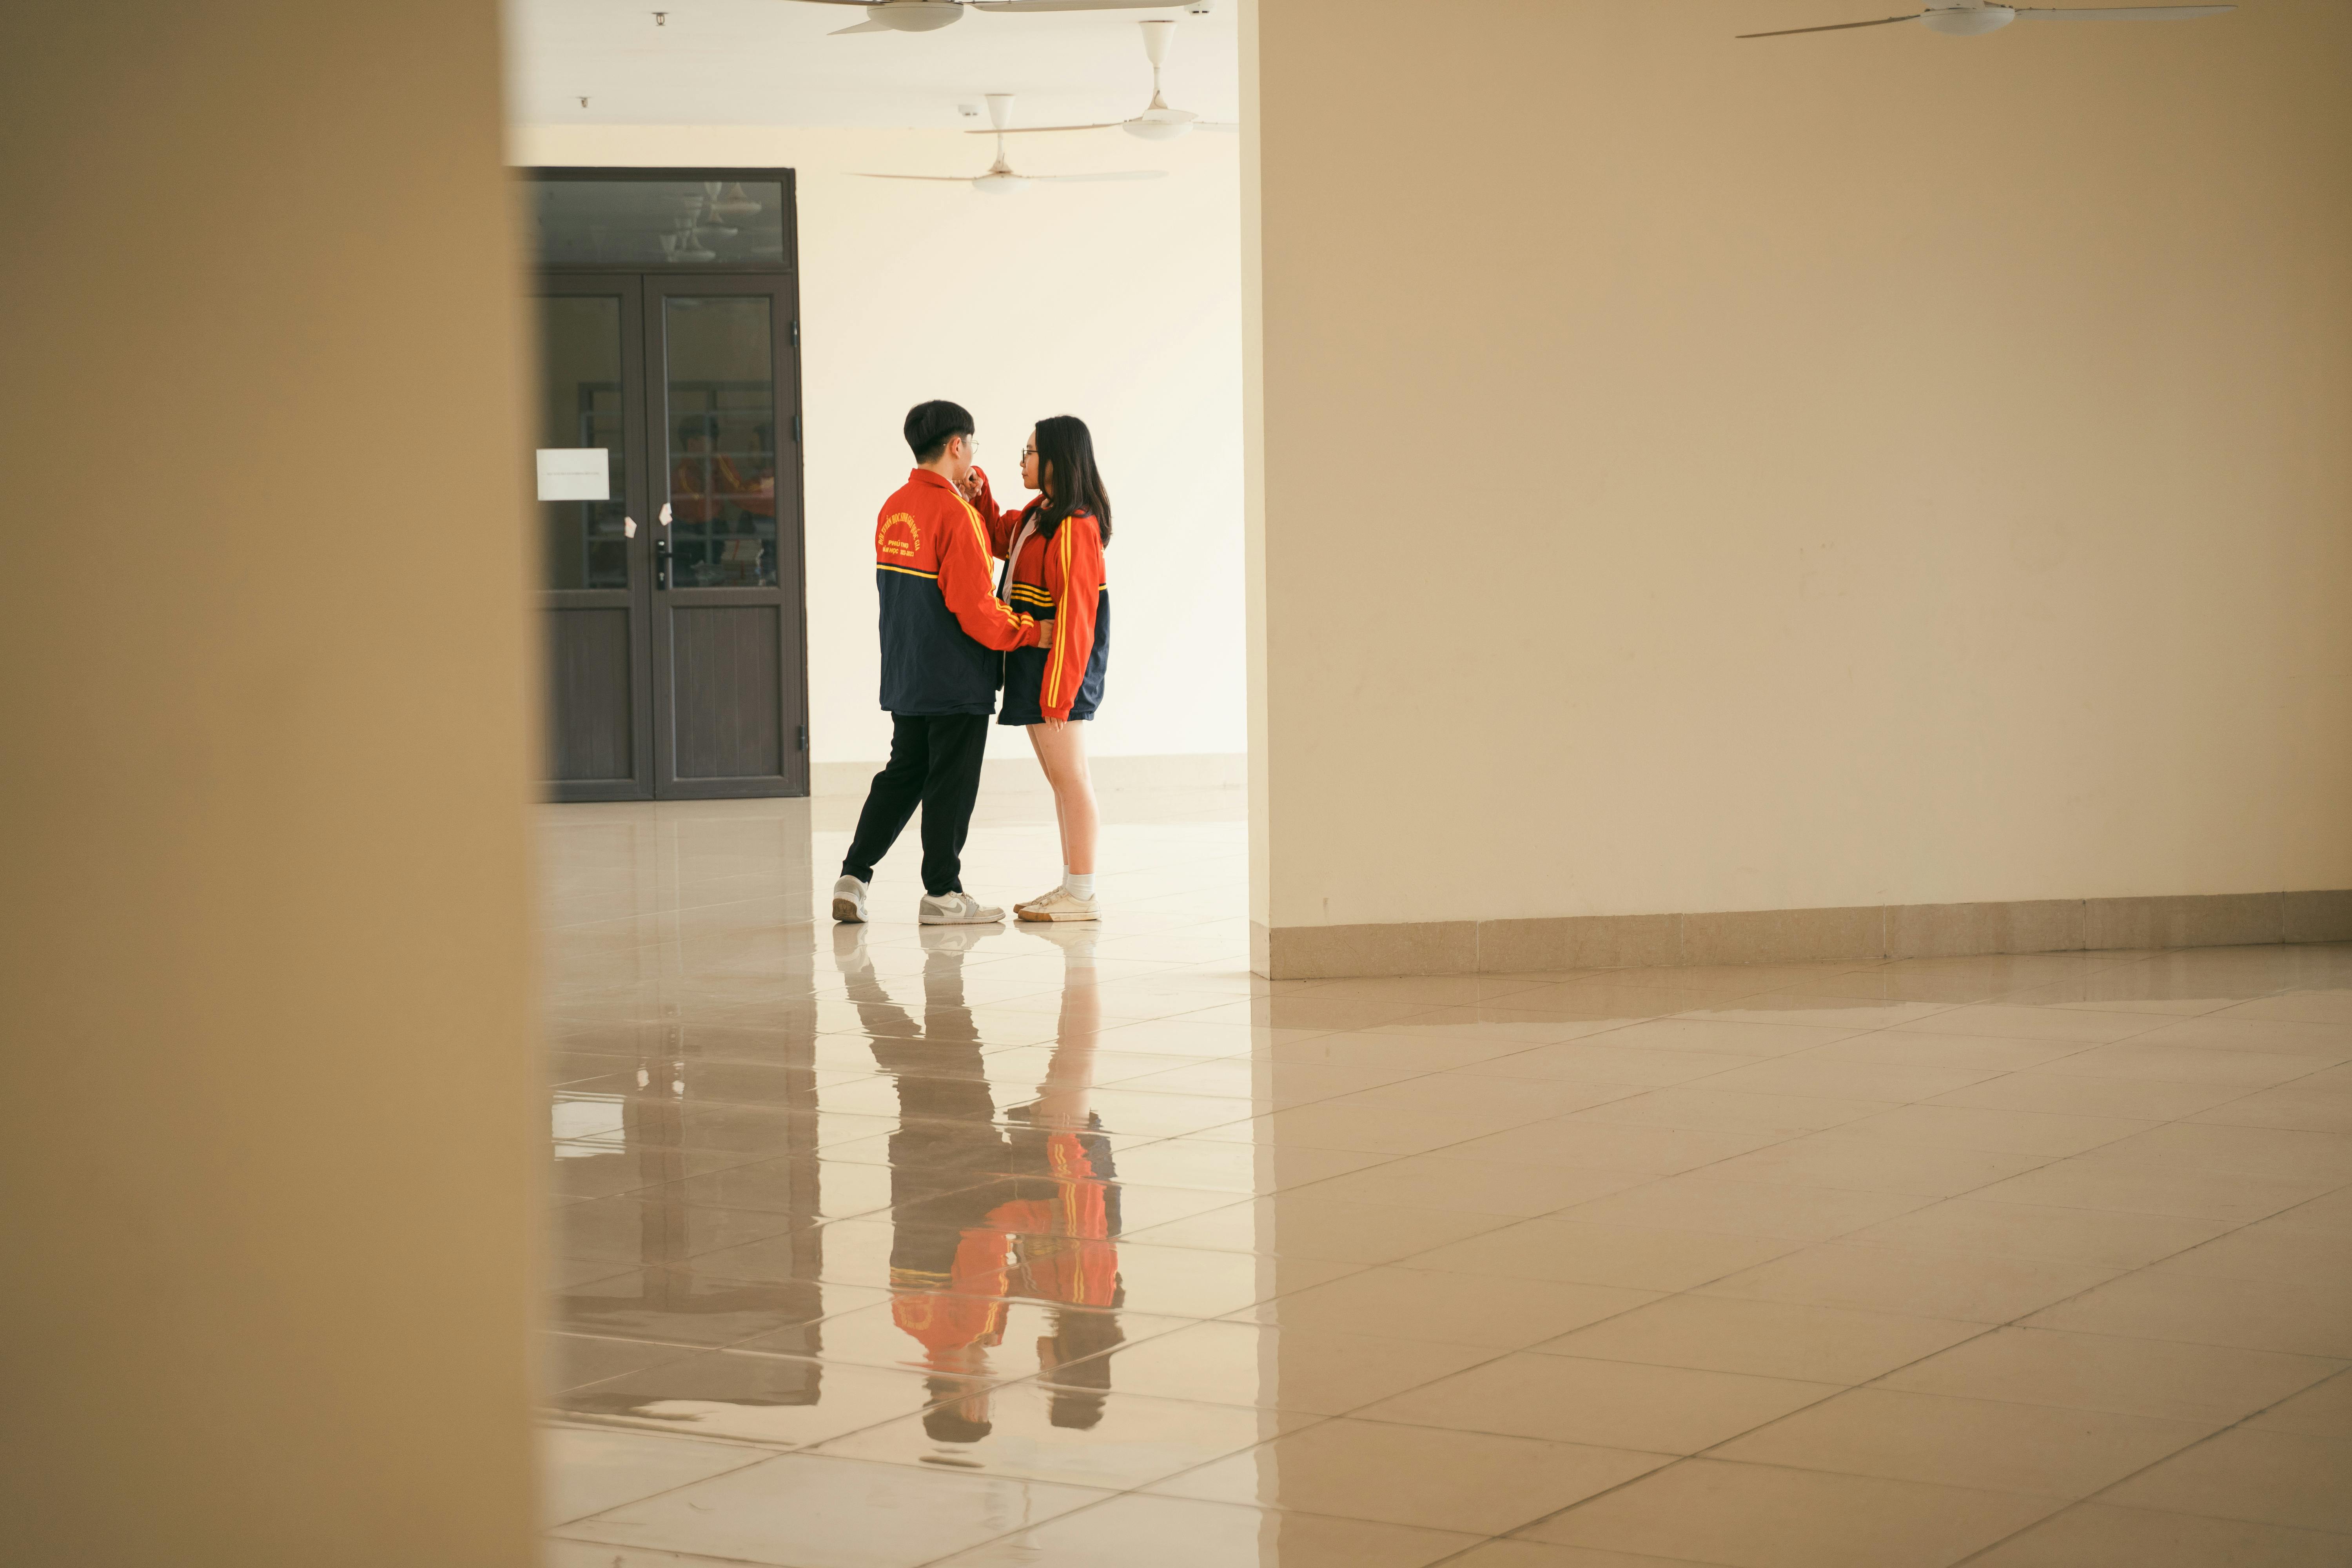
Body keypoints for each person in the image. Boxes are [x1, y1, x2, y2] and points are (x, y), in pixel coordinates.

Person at [832, 400, 1054, 926]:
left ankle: (854, 874)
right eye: (972, 444)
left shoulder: (894, 506)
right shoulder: (954, 516)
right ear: (957, 445)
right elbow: (975, 609)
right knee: (951, 783)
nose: (975, 454)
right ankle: (942, 893)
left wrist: (971, 494)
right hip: (956, 676)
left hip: (907, 671)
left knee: (904, 774)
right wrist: (1030, 632)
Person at [966, 416, 1111, 923]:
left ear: (1056, 460)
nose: (1023, 461)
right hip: (1035, 671)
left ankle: (1083, 893)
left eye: (1029, 452)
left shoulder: (1075, 527)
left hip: (1056, 678)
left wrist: (1058, 693)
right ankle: (1073, 886)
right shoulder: (1041, 514)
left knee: (1072, 780)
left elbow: (1077, 620)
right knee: (1062, 782)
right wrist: (980, 495)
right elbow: (1002, 537)